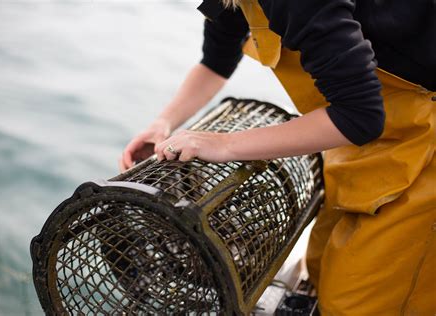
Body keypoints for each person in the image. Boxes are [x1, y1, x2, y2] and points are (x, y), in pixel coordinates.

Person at [119, 0, 435, 314]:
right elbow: (215, 62)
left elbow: (359, 116)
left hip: (423, 149)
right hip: (370, 148)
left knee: (357, 305)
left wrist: (224, 145)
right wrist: (163, 124)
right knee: (320, 268)